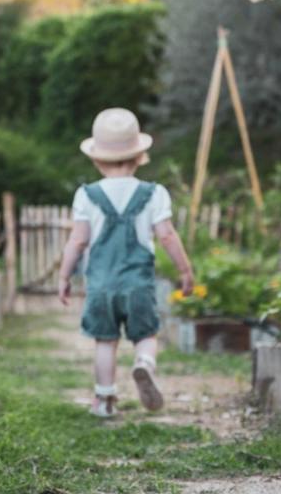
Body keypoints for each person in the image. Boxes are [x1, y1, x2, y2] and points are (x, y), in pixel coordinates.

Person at [57, 108, 195, 418]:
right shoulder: (154, 193)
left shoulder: (86, 195)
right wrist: (185, 271)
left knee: (105, 341)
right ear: (138, 156)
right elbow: (167, 236)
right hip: (138, 284)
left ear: (97, 158)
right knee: (145, 335)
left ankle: (104, 401)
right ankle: (144, 364)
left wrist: (64, 276)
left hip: (101, 285)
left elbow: (77, 240)